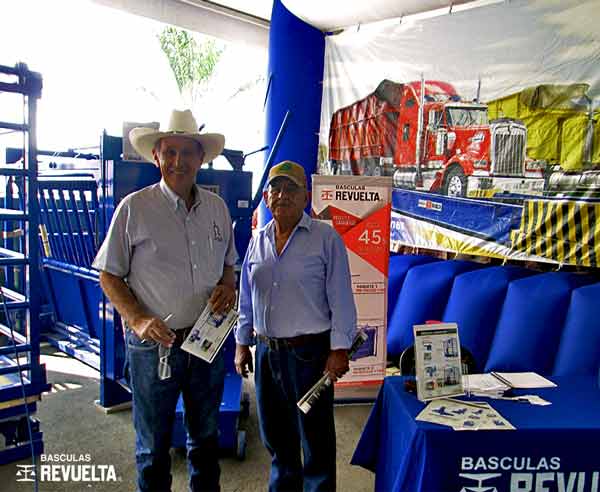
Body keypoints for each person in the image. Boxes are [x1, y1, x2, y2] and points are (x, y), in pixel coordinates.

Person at [93, 109, 237, 492]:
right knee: (153, 447)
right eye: (169, 152)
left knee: (206, 440)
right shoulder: (134, 209)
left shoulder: (218, 210)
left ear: (200, 158)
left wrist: (228, 285)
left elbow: (229, 266)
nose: (178, 161)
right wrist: (138, 319)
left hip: (206, 343)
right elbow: (108, 274)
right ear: (156, 156)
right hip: (154, 346)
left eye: (187, 152)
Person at [235, 160, 357, 492]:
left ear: (306, 196)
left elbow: (342, 298)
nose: (283, 195)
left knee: (315, 441)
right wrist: (242, 343)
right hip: (265, 355)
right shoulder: (257, 240)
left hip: (310, 357)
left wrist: (339, 349)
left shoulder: (325, 238)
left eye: (292, 189)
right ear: (266, 196)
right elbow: (246, 296)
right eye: (276, 188)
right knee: (276, 438)